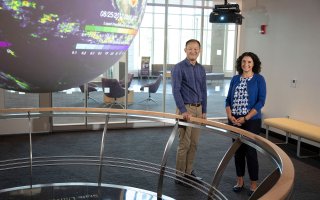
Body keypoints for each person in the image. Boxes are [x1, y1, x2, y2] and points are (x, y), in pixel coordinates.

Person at [225, 52, 267, 196]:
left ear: (254, 64)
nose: (246, 65)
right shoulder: (235, 79)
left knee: (250, 152)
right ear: (240, 63)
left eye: (249, 62)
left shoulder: (259, 79)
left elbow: (261, 101)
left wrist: (246, 117)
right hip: (235, 120)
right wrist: (230, 115)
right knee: (238, 152)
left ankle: (254, 184)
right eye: (243, 62)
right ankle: (240, 180)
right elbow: (228, 100)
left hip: (251, 122)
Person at [171, 39, 207, 185]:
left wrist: (204, 110)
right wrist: (183, 110)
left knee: (194, 143)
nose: (193, 51)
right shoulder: (178, 68)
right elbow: (176, 90)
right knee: (184, 143)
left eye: (196, 49)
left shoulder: (201, 69)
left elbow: (204, 90)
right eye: (190, 49)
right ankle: (179, 175)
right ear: (185, 50)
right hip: (185, 109)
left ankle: (189, 171)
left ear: (200, 50)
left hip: (198, 109)